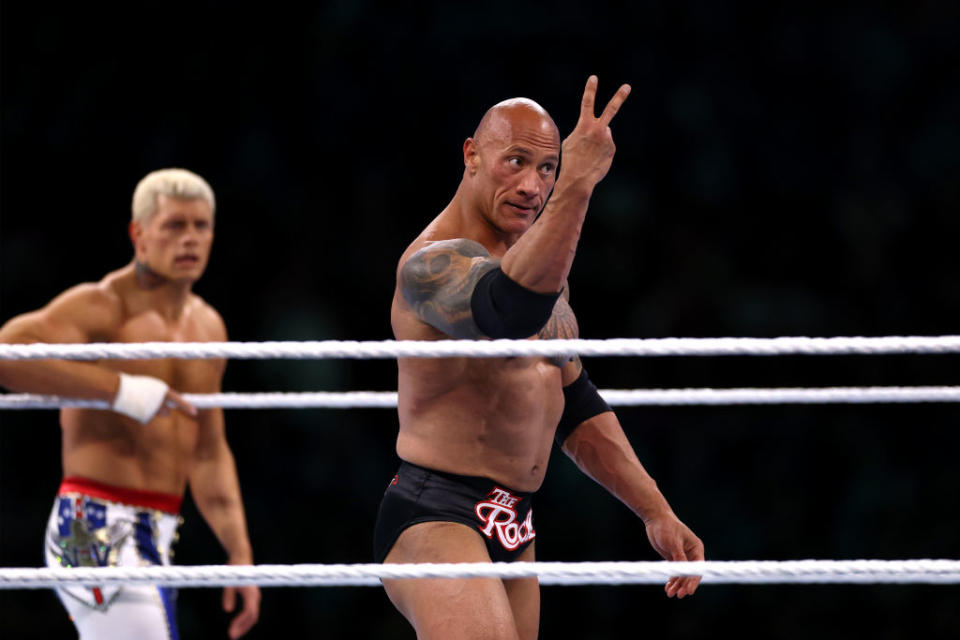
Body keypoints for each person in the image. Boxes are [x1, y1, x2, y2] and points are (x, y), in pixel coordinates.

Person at [376, 76, 704, 639]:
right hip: (436, 513)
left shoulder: (541, 267)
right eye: (516, 162)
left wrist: (655, 511)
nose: (533, 186)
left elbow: (573, 402)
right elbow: (506, 313)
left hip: (515, 522)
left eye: (548, 169)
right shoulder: (429, 265)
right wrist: (577, 186)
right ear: (471, 156)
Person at [0, 168, 260, 639]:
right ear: (139, 234)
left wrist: (238, 550)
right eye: (174, 226)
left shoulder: (208, 328)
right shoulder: (101, 307)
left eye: (201, 226)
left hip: (157, 532)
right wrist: (121, 391)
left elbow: (208, 451)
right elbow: (6, 355)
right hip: (91, 522)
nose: (190, 239)